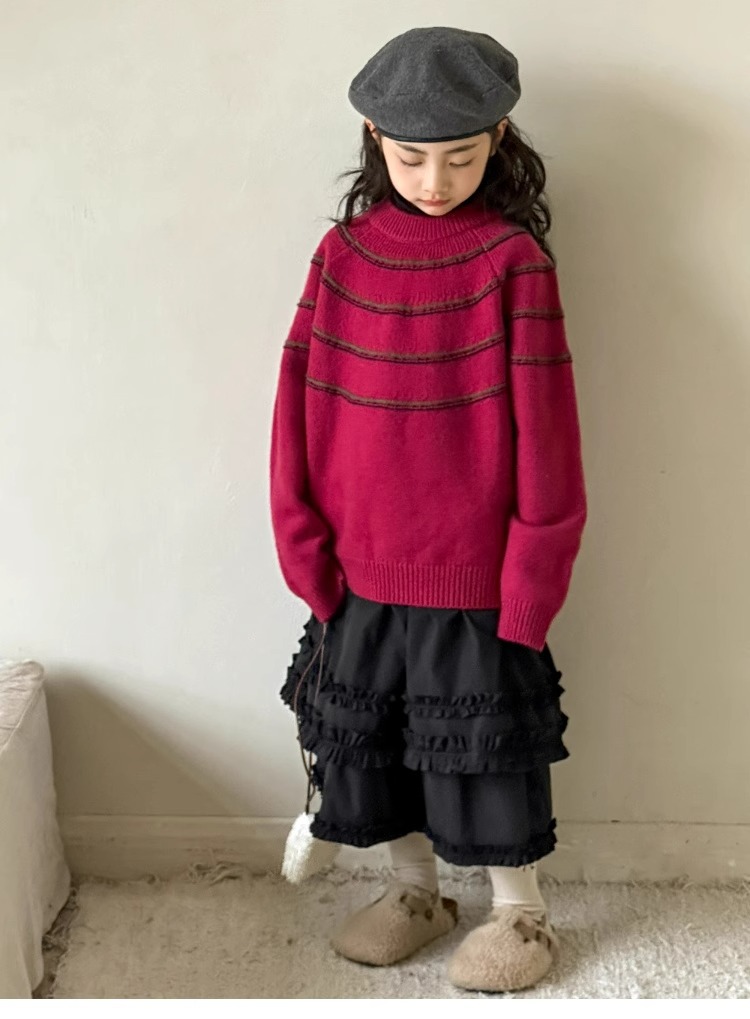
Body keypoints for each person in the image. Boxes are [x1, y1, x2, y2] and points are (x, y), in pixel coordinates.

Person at [270, 26, 587, 993]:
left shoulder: (512, 263)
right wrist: (303, 548)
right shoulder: (341, 257)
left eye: (461, 156)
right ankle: (415, 892)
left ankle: (520, 911)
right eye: (411, 158)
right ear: (374, 138)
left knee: (481, 751)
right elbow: (295, 410)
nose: (435, 181)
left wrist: (532, 581)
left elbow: (549, 437)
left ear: (499, 139)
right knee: (368, 744)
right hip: (357, 569)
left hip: (475, 578)